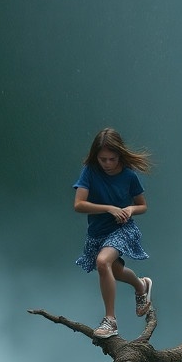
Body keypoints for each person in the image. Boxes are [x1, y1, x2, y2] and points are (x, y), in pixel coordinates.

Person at [73, 128, 154, 338]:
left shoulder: (129, 175)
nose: (107, 164)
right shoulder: (90, 171)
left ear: (120, 155)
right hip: (98, 232)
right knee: (114, 271)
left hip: (123, 229)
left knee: (102, 262)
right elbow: (79, 205)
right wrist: (108, 208)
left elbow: (142, 206)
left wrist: (129, 209)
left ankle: (110, 321)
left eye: (112, 159)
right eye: (103, 159)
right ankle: (141, 285)